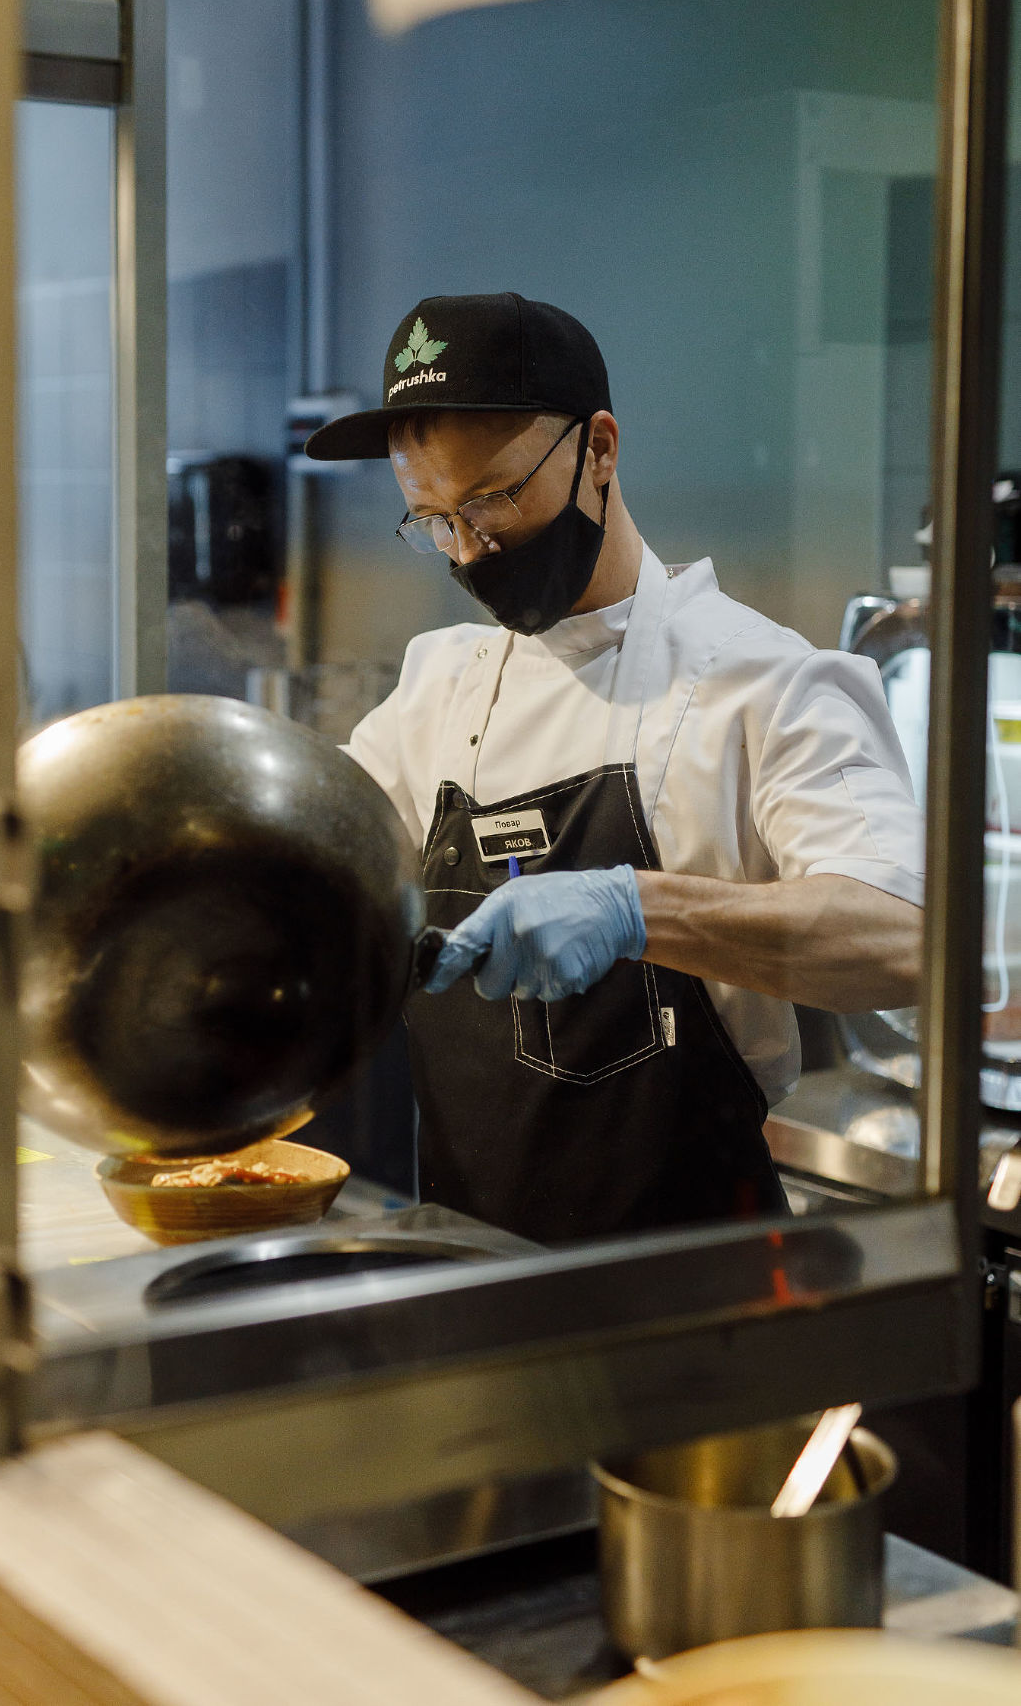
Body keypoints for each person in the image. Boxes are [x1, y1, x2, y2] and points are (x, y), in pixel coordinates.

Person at [307, 292, 923, 1245]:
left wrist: (637, 909)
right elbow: (316, 861)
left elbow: (903, 940)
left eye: (492, 501)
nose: (467, 550)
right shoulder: (440, 684)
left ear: (597, 449)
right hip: (473, 1268)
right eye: (431, 519)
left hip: (688, 1283)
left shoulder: (764, 681)